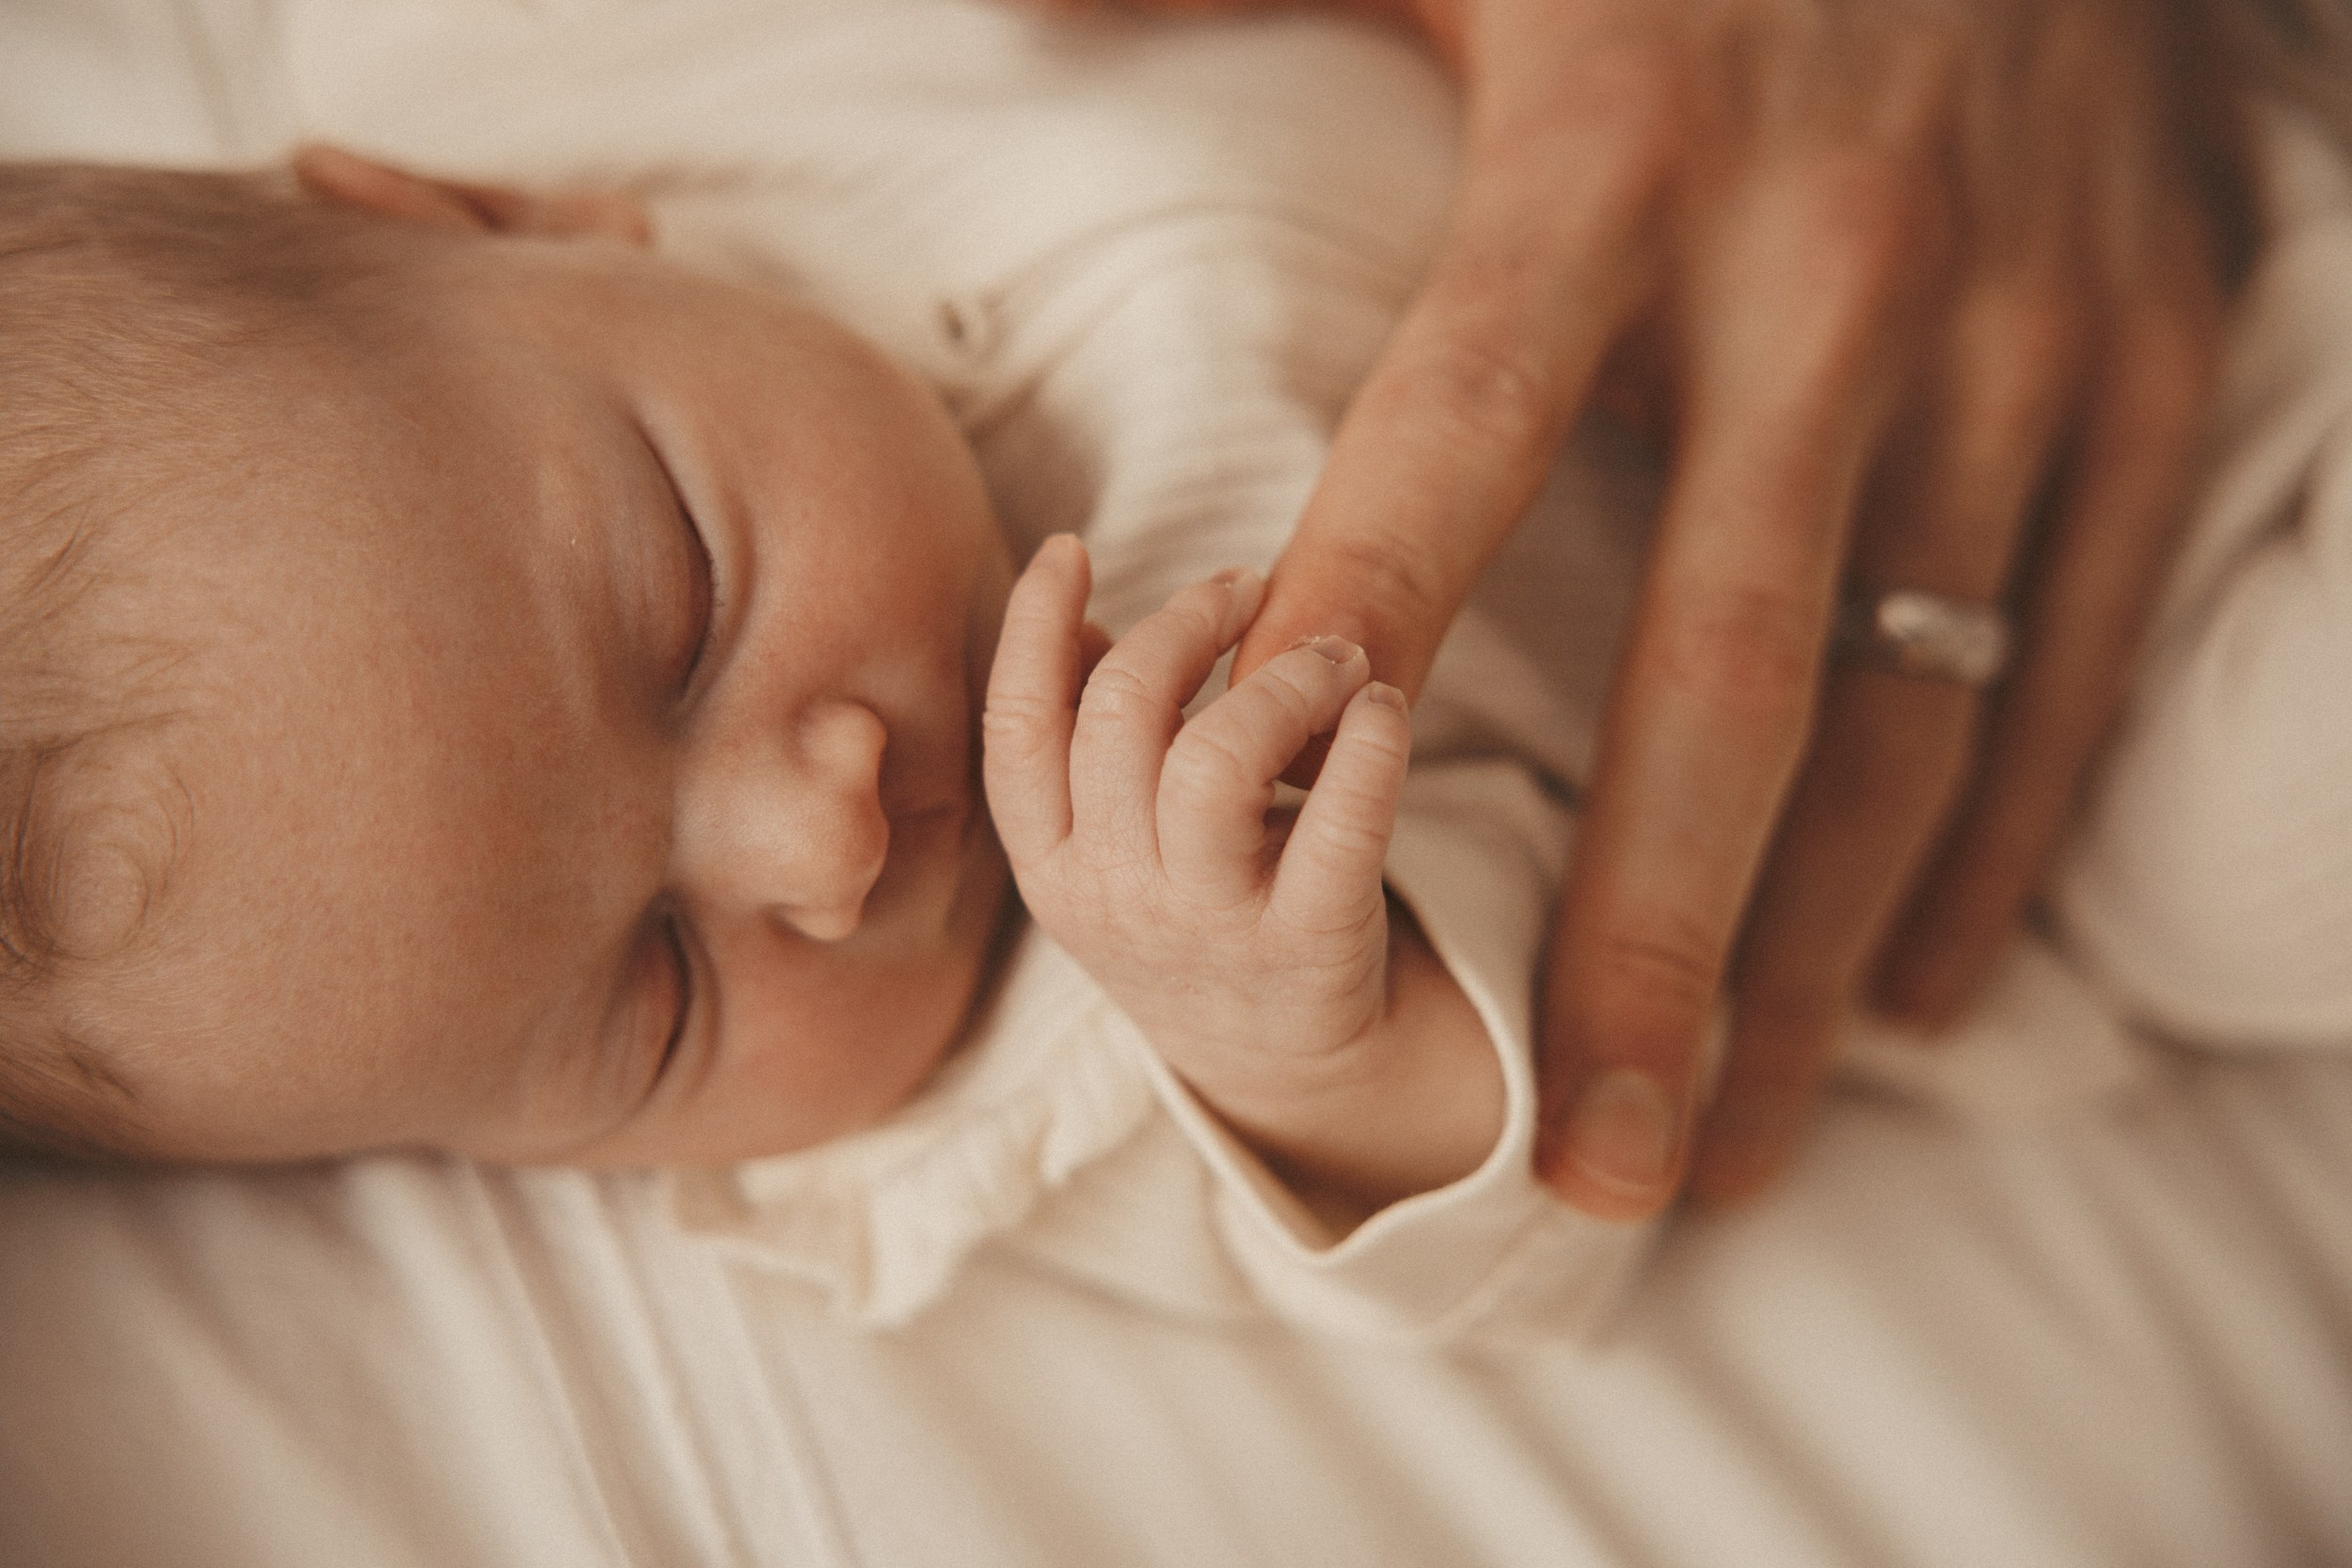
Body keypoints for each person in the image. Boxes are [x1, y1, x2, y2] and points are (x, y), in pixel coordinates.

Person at [1029, 0, 2267, 1218]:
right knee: (2246, 865)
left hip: (2079, 213)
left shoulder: (869, 139)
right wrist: (1292, 1060)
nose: (837, 839)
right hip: (2073, 643)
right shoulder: (1026, 997)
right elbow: (1464, 1176)